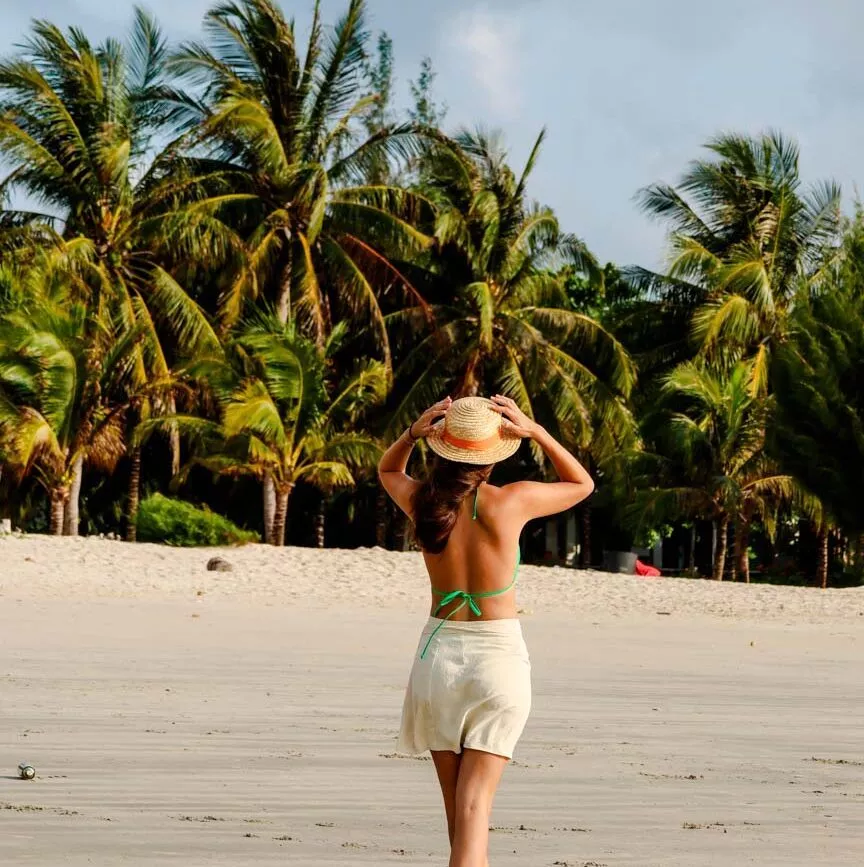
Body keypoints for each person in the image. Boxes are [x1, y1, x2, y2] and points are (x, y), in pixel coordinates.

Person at [378, 394, 595, 867]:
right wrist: (536, 431)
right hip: (498, 660)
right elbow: (581, 483)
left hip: (438, 661)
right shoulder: (512, 501)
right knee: (474, 810)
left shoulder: (423, 503)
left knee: (460, 817)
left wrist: (412, 433)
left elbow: (387, 472)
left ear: (442, 449)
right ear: (494, 452)